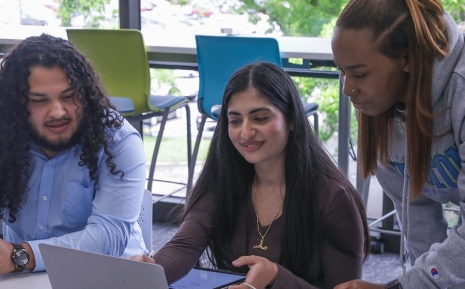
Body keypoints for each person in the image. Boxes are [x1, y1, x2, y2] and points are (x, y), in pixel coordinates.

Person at [129, 62, 370, 289]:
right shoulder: (225, 181)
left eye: (260, 118)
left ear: (292, 120)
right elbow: (183, 245)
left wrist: (276, 276)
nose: (245, 132)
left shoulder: (333, 198)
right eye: (235, 121)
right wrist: (152, 270)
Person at [331, 0, 465, 288]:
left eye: (360, 73)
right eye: (341, 71)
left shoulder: (461, 91)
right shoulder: (376, 107)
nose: (347, 88)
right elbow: (419, 223)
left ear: (408, 59)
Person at [0, 33, 148, 274]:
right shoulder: (5, 135)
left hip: (108, 275)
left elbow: (107, 238)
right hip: (21, 277)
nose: (58, 112)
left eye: (69, 97)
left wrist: (19, 255)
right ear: (16, 104)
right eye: (39, 100)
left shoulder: (118, 141)